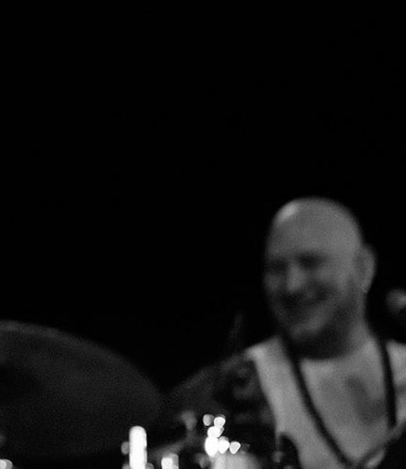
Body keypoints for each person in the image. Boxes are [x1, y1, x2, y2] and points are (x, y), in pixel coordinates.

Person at [170, 199, 404, 469]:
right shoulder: (229, 390)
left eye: (310, 262)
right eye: (276, 269)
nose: (292, 285)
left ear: (364, 267)